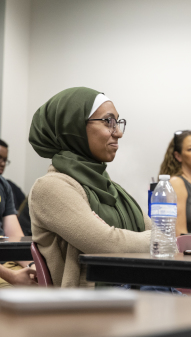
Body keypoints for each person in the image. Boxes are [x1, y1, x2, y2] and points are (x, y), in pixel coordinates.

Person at [28, 87, 151, 287]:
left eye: (118, 122)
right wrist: (150, 240)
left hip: (133, 298)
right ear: (73, 126)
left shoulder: (112, 188)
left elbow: (164, 238)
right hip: (86, 310)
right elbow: (108, 244)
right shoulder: (51, 187)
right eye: (108, 121)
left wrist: (149, 239)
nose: (118, 132)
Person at [0, 174, 37, 288]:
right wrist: (12, 276)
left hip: (7, 262)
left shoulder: (3, 184)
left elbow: (14, 238)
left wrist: (32, 264)